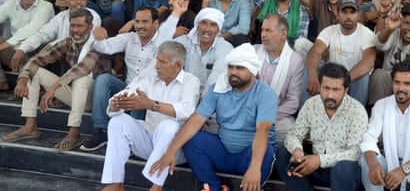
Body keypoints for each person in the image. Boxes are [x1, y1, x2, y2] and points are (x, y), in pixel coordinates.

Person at [149, 44, 277, 191]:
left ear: (253, 71)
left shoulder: (265, 93)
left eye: (240, 68)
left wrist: (255, 167)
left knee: (267, 151)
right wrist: (170, 152)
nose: (233, 72)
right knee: (193, 139)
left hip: (250, 157)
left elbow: (263, 131)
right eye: (231, 67)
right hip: (223, 153)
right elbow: (196, 120)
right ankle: (213, 186)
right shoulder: (218, 88)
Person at [100, 41, 200, 191]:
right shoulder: (150, 78)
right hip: (149, 142)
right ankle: (116, 183)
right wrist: (117, 103)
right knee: (118, 121)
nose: (157, 66)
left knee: (169, 126)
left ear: (178, 65)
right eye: (157, 60)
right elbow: (129, 92)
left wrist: (151, 104)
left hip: (176, 150)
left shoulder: (191, 81)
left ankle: (156, 185)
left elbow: (186, 111)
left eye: (162, 62)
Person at [2, 9, 105, 150]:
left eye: (80, 26)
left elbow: (80, 70)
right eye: (73, 25)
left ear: (90, 27)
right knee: (34, 72)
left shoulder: (98, 43)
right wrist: (22, 79)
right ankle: (30, 125)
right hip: (76, 96)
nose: (75, 30)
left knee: (81, 79)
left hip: (95, 99)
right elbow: (37, 60)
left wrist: (52, 89)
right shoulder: (68, 42)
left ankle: (74, 132)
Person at [80, 7, 170, 151]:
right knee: (103, 79)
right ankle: (101, 131)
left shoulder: (163, 42)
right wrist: (95, 33)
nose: (140, 26)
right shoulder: (129, 38)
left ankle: (134, 139)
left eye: (145, 22)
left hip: (150, 94)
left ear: (155, 23)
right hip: (127, 87)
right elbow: (105, 47)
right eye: (137, 21)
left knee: (139, 93)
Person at [276, 62, 368, 191]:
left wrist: (320, 160)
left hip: (343, 173)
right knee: (283, 154)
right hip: (314, 167)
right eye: (326, 88)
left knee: (344, 168)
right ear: (320, 87)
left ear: (345, 90)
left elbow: (355, 153)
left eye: (335, 90)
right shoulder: (311, 104)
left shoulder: (357, 111)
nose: (330, 95)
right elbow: (294, 135)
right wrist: (297, 151)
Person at [361, 61, 410, 191]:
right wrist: (374, 166)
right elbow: (369, 138)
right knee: (366, 160)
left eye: (407, 84)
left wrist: (403, 170)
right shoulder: (381, 105)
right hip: (387, 158)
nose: (401, 88)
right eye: (397, 82)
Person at [307, 0, 376, 106]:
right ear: (337, 14)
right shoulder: (329, 31)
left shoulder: (367, 33)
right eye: (344, 12)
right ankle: (306, 110)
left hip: (354, 79)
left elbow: (368, 62)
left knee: (364, 77)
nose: (348, 16)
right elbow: (314, 52)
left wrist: (343, 80)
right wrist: (312, 74)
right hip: (333, 77)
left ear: (358, 15)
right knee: (309, 71)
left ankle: (357, 111)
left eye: (352, 12)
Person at [12, 0, 101, 72]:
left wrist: (52, 44)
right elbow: (43, 34)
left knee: (46, 54)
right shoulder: (61, 16)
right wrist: (22, 49)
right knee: (31, 51)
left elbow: (81, 40)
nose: (79, 2)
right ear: (67, 2)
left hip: (80, 59)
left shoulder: (93, 16)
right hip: (59, 56)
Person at [370, 4, 410, 106]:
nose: (409, 28)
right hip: (391, 79)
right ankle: (377, 110)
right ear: (400, 23)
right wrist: (389, 29)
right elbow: (379, 45)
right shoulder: (394, 32)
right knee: (379, 75)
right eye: (406, 23)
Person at [255, 14, 304, 146]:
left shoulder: (295, 61)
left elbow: (293, 102)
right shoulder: (252, 51)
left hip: (276, 115)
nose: (263, 35)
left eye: (268, 30)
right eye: (262, 30)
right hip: (246, 111)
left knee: (291, 132)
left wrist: (268, 117)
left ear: (283, 34)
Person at [0, 0, 55, 90]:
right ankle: (2, 82)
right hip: (14, 51)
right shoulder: (11, 4)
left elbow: (32, 29)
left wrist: (6, 44)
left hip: (37, 53)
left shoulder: (46, 6)